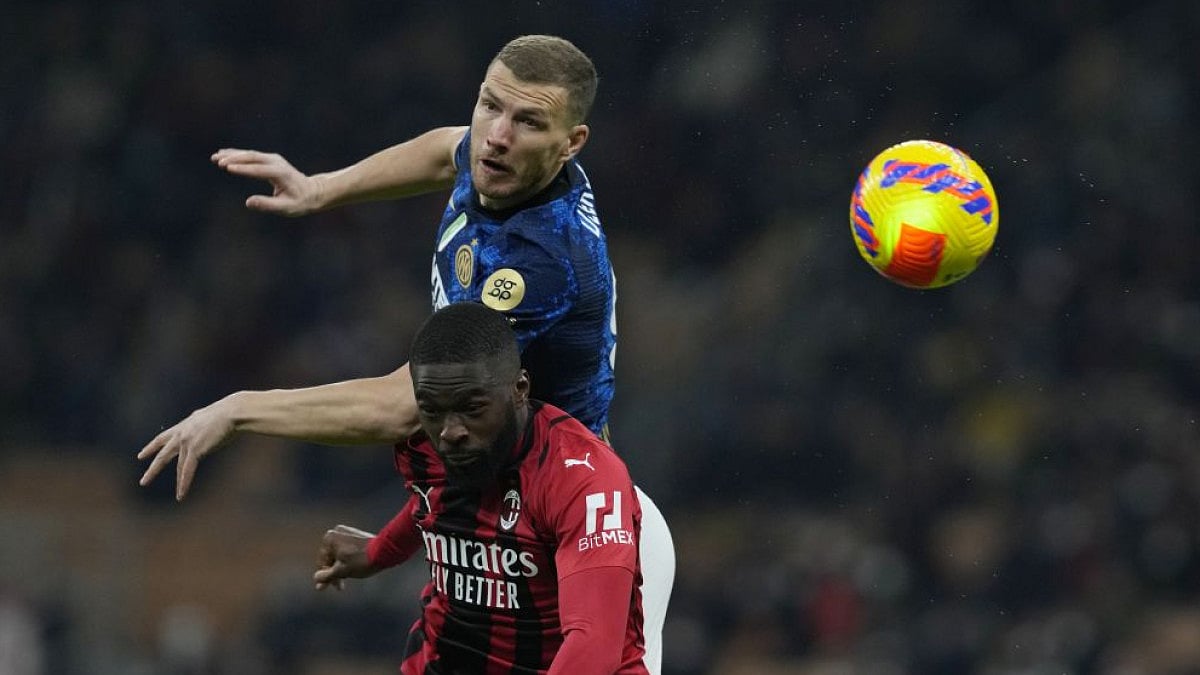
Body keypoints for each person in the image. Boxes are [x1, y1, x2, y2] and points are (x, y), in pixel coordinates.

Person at [136, 34, 673, 672]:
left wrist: (239, 410)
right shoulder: (498, 159)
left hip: (572, 525)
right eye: (489, 106)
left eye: (528, 122)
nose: (496, 136)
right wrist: (321, 190)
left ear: (571, 144)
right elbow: (443, 149)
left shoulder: (544, 261)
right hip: (485, 522)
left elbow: (402, 407)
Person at [312, 302, 648, 674]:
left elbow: (593, 642)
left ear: (520, 388)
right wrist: (379, 551)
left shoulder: (583, 477)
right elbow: (431, 501)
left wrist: (235, 412)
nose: (449, 431)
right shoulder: (427, 444)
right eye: (432, 410)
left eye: (472, 408)